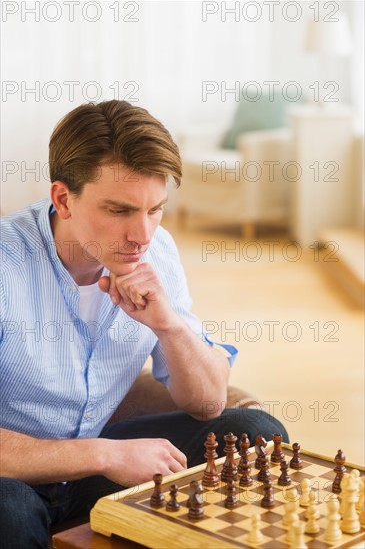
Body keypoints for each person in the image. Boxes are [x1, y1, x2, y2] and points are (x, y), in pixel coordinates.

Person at [0, 100, 288, 547]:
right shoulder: (5, 264)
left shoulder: (158, 252)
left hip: (89, 468)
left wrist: (168, 326)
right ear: (62, 198)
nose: (143, 235)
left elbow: (209, 402)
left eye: (155, 209)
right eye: (119, 210)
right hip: (14, 476)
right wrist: (104, 454)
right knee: (9, 511)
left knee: (255, 435)